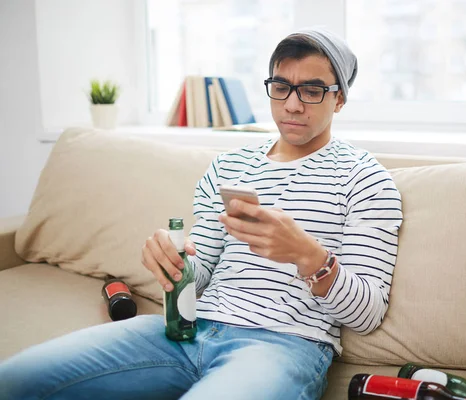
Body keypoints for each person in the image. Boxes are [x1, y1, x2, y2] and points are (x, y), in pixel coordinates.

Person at [0, 28, 402, 400]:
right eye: (281, 87)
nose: (292, 105)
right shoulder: (229, 166)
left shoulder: (366, 180)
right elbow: (201, 271)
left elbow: (366, 314)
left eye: (312, 90)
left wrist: (308, 257)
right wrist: (174, 261)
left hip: (282, 345)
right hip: (186, 330)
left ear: (340, 98)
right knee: (16, 379)